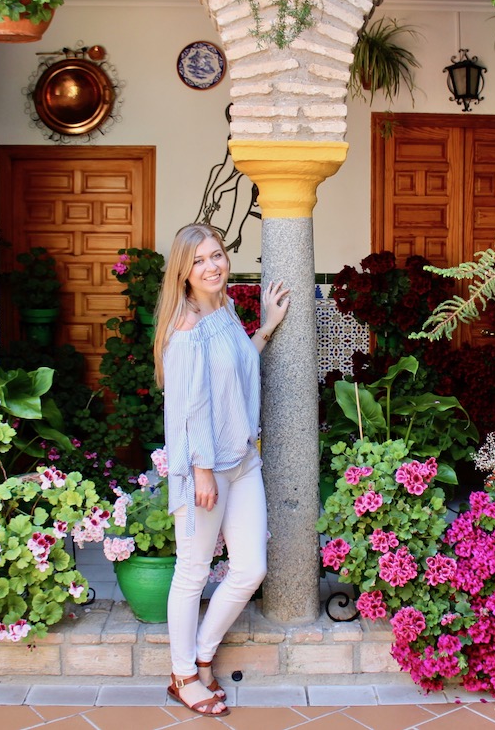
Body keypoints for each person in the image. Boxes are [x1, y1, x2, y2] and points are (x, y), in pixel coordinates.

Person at [153, 223, 290, 717]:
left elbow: (238, 370)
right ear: (183, 272)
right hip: (204, 469)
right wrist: (203, 471)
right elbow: (189, 409)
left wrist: (267, 327)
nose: (212, 267)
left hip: (243, 460)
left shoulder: (226, 309)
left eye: (217, 255)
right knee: (191, 573)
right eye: (200, 261)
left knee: (250, 567)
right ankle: (183, 674)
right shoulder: (185, 328)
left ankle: (203, 655)